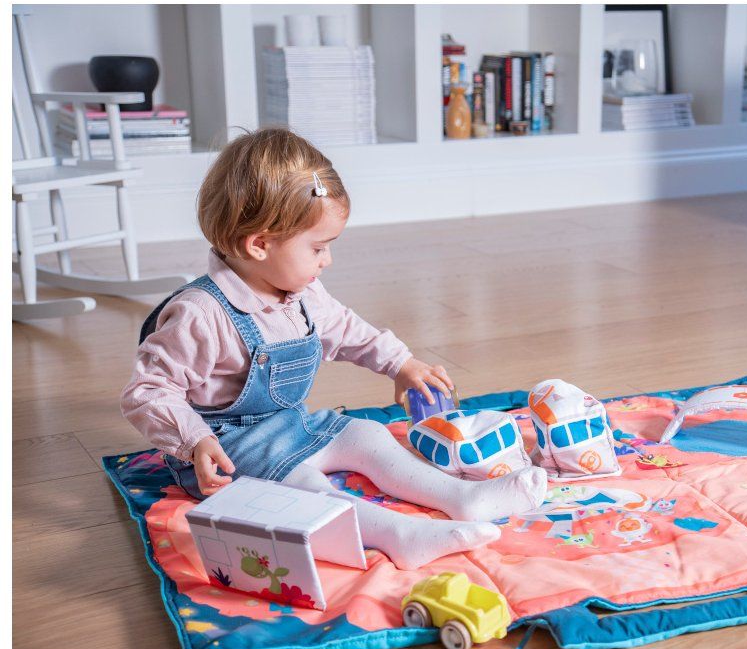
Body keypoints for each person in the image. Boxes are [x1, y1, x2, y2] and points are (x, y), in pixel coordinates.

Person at [121, 128, 547, 569]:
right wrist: (195, 441)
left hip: (291, 424)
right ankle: (400, 536)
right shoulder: (200, 314)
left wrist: (400, 362)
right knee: (306, 487)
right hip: (227, 449)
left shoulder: (301, 292)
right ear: (260, 244)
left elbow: (345, 330)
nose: (327, 260)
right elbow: (148, 391)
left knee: (368, 435)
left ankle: (463, 497)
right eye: (318, 248)